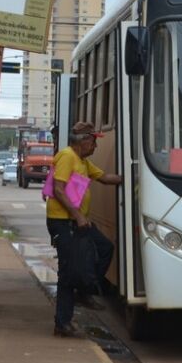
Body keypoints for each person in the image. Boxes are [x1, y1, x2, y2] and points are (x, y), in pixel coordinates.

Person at [46, 122, 123, 338]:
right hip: (63, 221)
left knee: (105, 247)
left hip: (78, 222)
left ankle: (84, 291)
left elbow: (106, 179)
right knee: (68, 272)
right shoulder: (67, 156)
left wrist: (135, 177)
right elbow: (58, 190)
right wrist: (77, 215)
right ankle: (62, 323)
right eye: (94, 141)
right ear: (85, 140)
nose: (96, 146)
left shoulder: (83, 161)